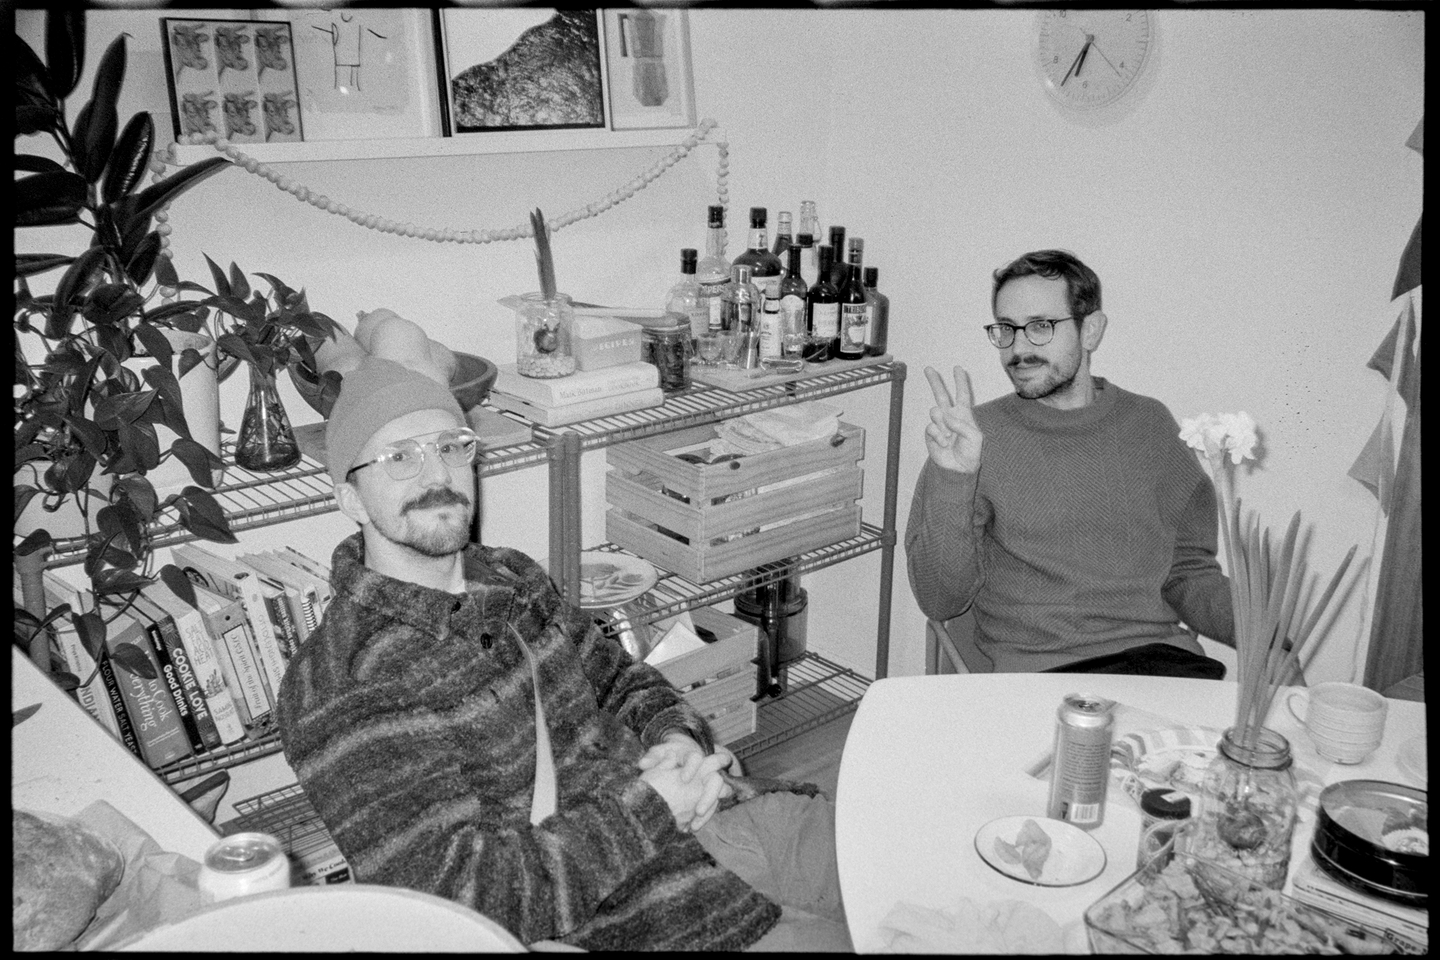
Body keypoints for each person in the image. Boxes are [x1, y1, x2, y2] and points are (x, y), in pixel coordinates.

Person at [275, 356, 849, 952]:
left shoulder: (507, 575)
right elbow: (462, 904)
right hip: (641, 915)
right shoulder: (341, 683)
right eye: (400, 457)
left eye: (451, 446)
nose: (436, 475)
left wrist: (675, 739)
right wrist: (651, 808)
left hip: (716, 822)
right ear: (351, 498)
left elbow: (618, 677)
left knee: (914, 860)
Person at [905, 249, 1235, 676]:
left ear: (1091, 331)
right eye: (1006, 329)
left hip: (1161, 663)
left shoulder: (1150, 424)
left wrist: (1269, 632)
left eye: (1040, 327)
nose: (1018, 349)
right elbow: (940, 600)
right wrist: (954, 479)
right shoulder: (971, 437)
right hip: (1041, 675)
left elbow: (1188, 570)